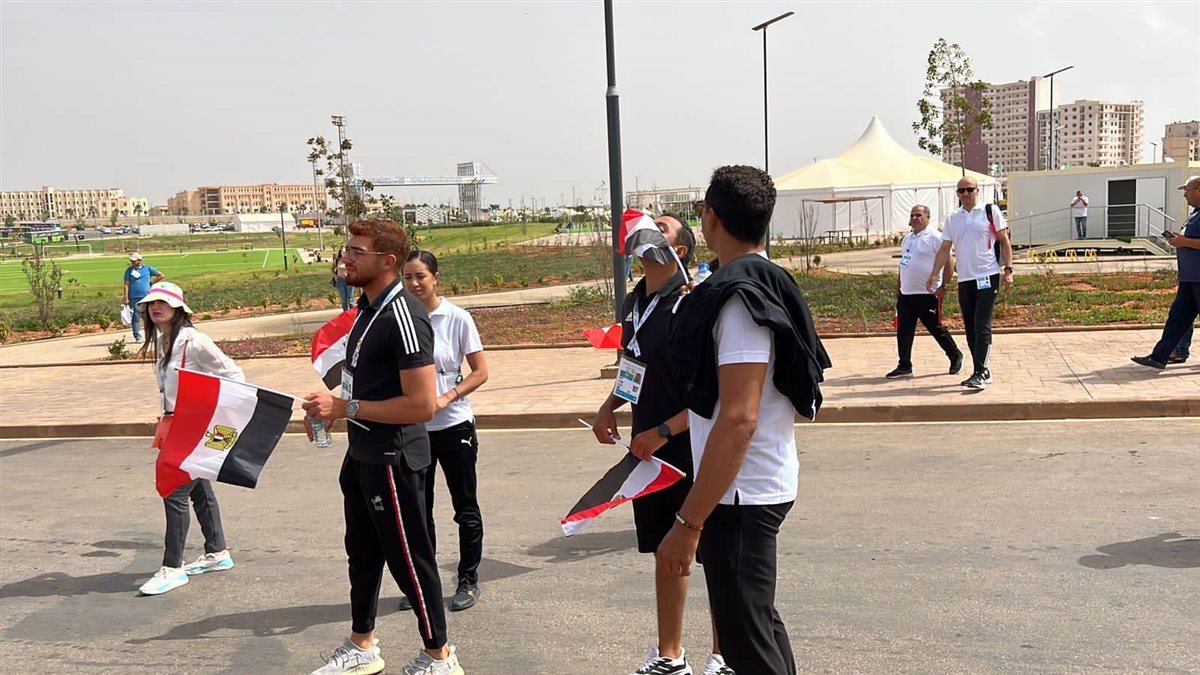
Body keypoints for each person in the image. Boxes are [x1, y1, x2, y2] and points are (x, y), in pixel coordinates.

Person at [661, 166, 830, 675]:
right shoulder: (765, 281)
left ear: (710, 217)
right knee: (758, 626)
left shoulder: (738, 301)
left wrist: (688, 523)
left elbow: (738, 418)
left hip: (741, 494)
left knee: (747, 646)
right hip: (751, 485)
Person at [302, 219, 464, 675]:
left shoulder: (404, 316)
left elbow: (422, 405)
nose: (346, 259)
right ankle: (362, 645)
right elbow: (363, 385)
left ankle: (439, 656)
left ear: (388, 261)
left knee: (409, 559)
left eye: (357, 252)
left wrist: (345, 407)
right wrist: (332, 412)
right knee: (362, 552)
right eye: (346, 249)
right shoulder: (367, 309)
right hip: (364, 454)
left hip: (394, 457)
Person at [592, 214, 733, 675]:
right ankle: (670, 655)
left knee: (709, 552)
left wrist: (665, 431)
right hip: (648, 451)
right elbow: (634, 367)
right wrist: (609, 406)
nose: (646, 229)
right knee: (664, 551)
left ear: (680, 251)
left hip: (689, 447)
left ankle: (725, 654)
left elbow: (713, 392)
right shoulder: (635, 301)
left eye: (662, 226)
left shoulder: (692, 301)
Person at [397, 250, 490, 614]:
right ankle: (424, 583)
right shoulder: (401, 320)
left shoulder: (457, 318)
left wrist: (448, 397)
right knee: (419, 510)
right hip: (414, 430)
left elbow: (480, 372)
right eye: (407, 277)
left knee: (464, 506)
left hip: (454, 425)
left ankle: (468, 579)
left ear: (435, 278)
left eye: (420, 276)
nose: (413, 284)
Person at [136, 281, 241, 596]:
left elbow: (234, 375)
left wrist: (214, 416)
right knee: (198, 488)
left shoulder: (195, 341)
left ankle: (172, 568)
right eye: (151, 303)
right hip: (175, 425)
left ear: (178, 308)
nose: (156, 307)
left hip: (195, 427)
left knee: (174, 490)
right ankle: (217, 551)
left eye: (163, 303)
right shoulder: (165, 341)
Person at [927, 176, 1014, 390]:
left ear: (977, 191)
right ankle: (981, 369)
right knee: (970, 327)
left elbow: (1004, 241)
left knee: (982, 324)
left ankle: (980, 372)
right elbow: (945, 249)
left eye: (969, 189)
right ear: (957, 194)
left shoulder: (989, 211)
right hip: (965, 279)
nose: (965, 194)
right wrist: (934, 274)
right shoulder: (953, 218)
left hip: (987, 275)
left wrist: (1008, 270)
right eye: (961, 191)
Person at [1131, 175, 1200, 370]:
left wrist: (1184, 242)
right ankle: (1159, 357)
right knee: (1177, 317)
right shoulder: (1195, 214)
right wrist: (1181, 240)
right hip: (1189, 278)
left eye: (1188, 190)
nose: (1185, 195)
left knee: (1179, 317)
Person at [887, 205, 963, 379]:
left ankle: (955, 354)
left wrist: (944, 286)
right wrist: (899, 287)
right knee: (904, 331)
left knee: (935, 327)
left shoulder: (935, 237)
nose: (914, 218)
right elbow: (903, 264)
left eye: (919, 215)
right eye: (912, 215)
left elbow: (950, 262)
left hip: (927, 293)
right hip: (906, 293)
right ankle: (904, 365)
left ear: (928, 217)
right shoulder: (907, 239)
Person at [123, 252, 164, 343]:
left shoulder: (147, 268)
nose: (133, 263)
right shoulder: (129, 270)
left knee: (147, 317)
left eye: (134, 261)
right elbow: (126, 284)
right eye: (132, 261)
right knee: (135, 317)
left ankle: (150, 336)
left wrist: (151, 283)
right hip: (133, 297)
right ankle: (137, 336)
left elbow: (161, 275)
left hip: (146, 296)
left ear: (140, 260)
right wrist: (126, 298)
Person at [332, 245, 355, 312]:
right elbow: (332, 269)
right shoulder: (337, 260)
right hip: (340, 280)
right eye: (342, 251)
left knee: (350, 299)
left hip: (349, 280)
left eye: (344, 252)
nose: (343, 253)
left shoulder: (350, 259)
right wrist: (335, 276)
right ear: (340, 252)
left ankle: (352, 314)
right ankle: (345, 313)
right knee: (344, 299)